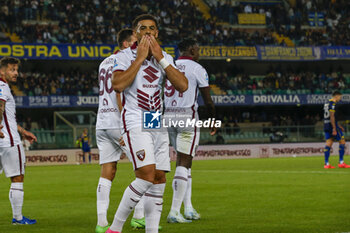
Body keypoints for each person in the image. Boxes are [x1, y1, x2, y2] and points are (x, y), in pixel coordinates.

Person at [106, 14, 188, 233]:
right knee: (146, 175)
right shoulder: (124, 55)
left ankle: (152, 230)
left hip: (155, 119)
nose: (149, 32)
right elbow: (118, 85)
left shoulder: (165, 56)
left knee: (159, 178)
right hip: (134, 117)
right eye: (143, 28)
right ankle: (114, 228)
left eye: (152, 29)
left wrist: (160, 58)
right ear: (136, 33)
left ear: (157, 33)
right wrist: (140, 58)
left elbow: (182, 85)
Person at [95, 28, 146, 233]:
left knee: (108, 171)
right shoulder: (124, 62)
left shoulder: (103, 62)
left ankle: (101, 223)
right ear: (126, 44)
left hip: (102, 121)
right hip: (120, 121)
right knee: (144, 169)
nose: (138, 44)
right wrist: (126, 125)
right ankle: (139, 218)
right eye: (135, 41)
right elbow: (120, 90)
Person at [163, 38, 216, 223]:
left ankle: (189, 208)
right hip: (187, 116)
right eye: (198, 49)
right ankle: (174, 212)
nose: (199, 53)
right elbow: (207, 99)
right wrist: (213, 120)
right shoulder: (197, 68)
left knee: (183, 162)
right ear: (192, 50)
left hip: (167, 117)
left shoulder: (169, 65)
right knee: (184, 163)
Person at [0, 57, 37, 225]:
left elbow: (7, 118)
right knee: (17, 178)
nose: (16, 73)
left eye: (16, 70)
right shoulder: (2, 86)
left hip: (4, 139)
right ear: (2, 71)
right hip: (9, 142)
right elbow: (0, 108)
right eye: (12, 69)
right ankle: (18, 218)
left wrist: (23, 131)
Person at [323, 91, 350, 169]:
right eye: (340, 97)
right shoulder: (333, 104)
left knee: (329, 143)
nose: (340, 98)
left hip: (326, 125)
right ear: (336, 96)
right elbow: (332, 116)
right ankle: (341, 162)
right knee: (342, 141)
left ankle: (326, 164)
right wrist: (335, 128)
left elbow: (328, 117)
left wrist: (338, 125)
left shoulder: (326, 103)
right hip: (332, 126)